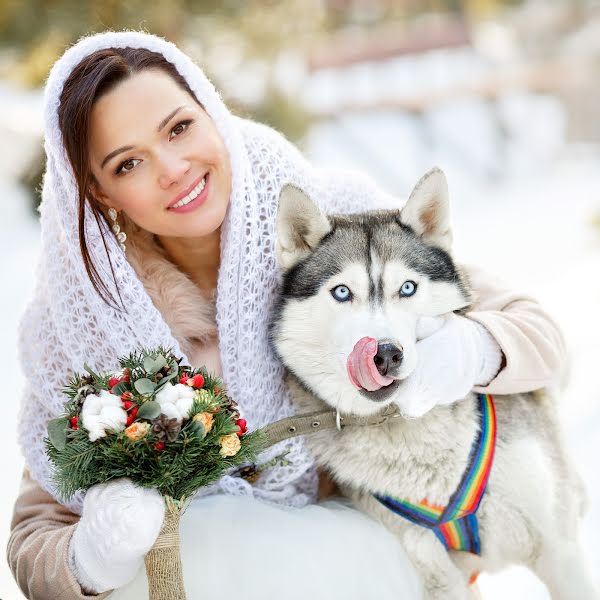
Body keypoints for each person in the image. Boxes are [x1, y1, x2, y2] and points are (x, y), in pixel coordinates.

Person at [7, 31, 566, 600]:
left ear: (212, 113)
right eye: (128, 163)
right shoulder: (86, 322)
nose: (173, 168)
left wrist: (470, 349)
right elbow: (34, 528)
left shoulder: (334, 226)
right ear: (99, 193)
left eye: (179, 128)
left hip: (361, 564)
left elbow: (536, 334)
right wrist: (92, 557)